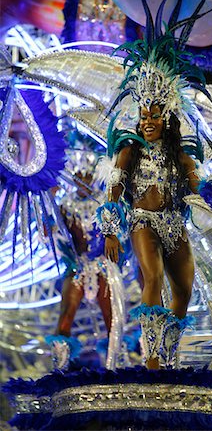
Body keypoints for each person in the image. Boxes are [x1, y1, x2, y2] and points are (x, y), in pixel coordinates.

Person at [97, 103, 212, 370]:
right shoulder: (128, 153)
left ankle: (168, 357)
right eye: (144, 117)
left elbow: (203, 193)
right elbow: (113, 190)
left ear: (167, 120)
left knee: (183, 291)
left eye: (155, 116)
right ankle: (152, 362)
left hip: (174, 224)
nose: (148, 122)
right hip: (142, 222)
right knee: (153, 277)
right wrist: (110, 232)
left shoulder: (181, 158)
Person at [45, 159, 114, 371]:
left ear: (93, 178)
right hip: (77, 267)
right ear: (73, 179)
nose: (83, 182)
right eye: (78, 178)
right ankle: (60, 368)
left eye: (87, 177)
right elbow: (49, 231)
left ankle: (116, 368)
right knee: (66, 316)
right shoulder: (65, 205)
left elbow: (116, 235)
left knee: (112, 321)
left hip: (102, 268)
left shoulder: (104, 203)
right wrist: (51, 199)